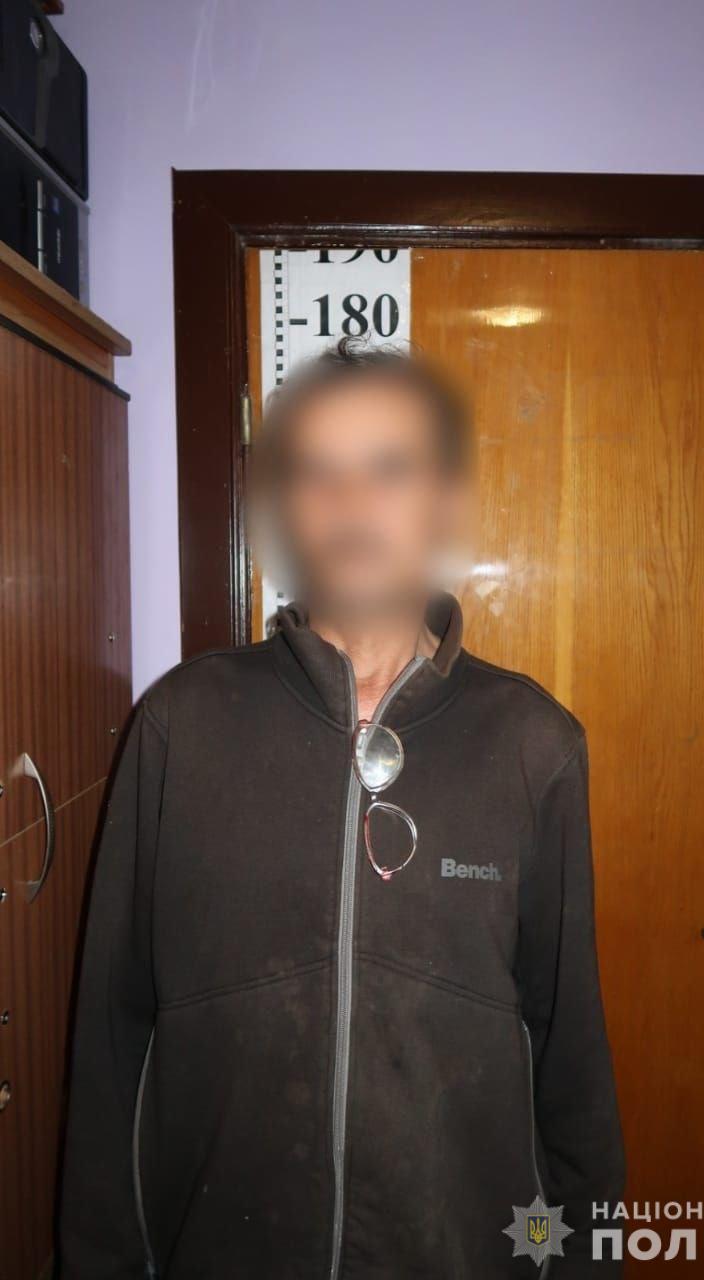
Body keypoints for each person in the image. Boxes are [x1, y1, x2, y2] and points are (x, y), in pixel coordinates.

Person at [60, 338, 624, 1278]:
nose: (352, 505)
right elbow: (112, 1038)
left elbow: (571, 1062)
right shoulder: (181, 724)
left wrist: (580, 1260)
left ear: (441, 500)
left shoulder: (534, 745)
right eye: (318, 472)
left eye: (389, 469)